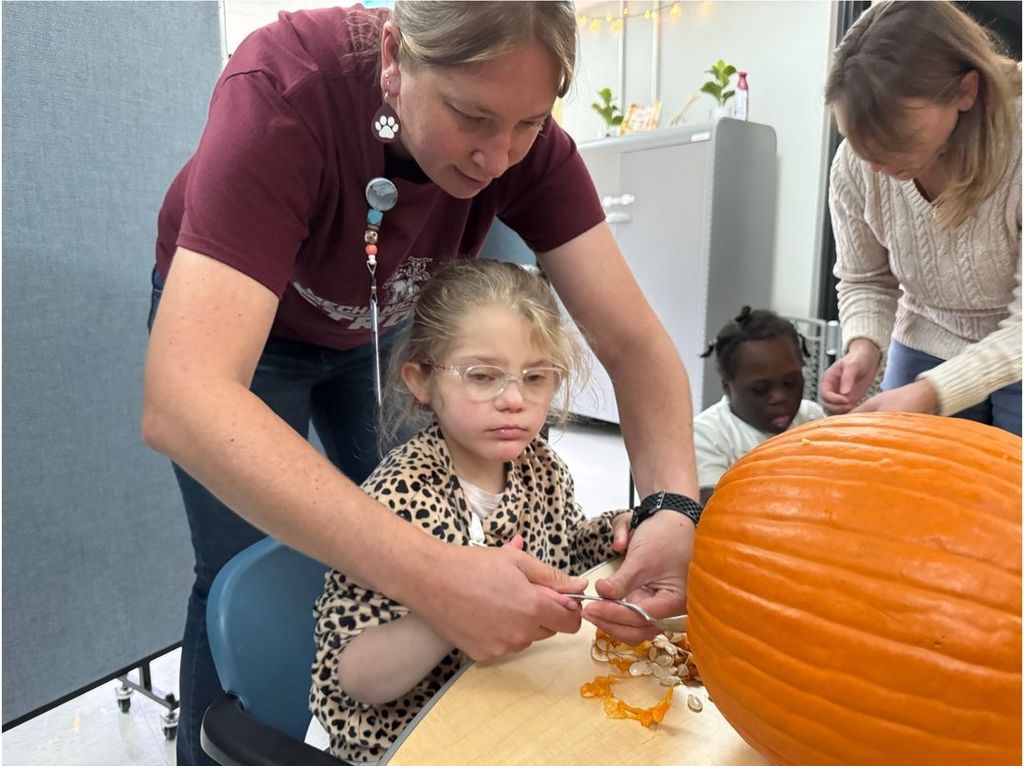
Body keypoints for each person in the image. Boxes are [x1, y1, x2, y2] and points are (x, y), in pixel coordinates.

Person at [141, 4, 699, 763]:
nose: (497, 158)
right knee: (242, 559)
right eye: (471, 116)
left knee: (412, 535)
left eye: (529, 123)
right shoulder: (286, 89)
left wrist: (670, 507)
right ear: (396, 58)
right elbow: (186, 398)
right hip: (245, 328)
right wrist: (435, 577)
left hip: (378, 325)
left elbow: (634, 343)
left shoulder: (525, 151)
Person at [308, 259, 633, 763]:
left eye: (536, 377)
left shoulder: (543, 468)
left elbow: (562, 547)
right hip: (410, 737)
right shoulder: (397, 498)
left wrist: (613, 531)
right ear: (420, 381)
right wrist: (452, 609)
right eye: (482, 376)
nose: (513, 400)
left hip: (509, 703)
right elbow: (356, 679)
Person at [819, 0, 1021, 435]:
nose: (875, 165)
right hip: (926, 337)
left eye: (898, 137)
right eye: (861, 143)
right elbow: (865, 278)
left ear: (967, 91)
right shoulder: (857, 164)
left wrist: (930, 392)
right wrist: (862, 348)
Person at [694, 307, 826, 505]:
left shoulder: (812, 419)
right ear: (727, 388)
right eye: (760, 389)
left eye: (790, 383)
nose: (779, 397)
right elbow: (715, 508)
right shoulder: (707, 436)